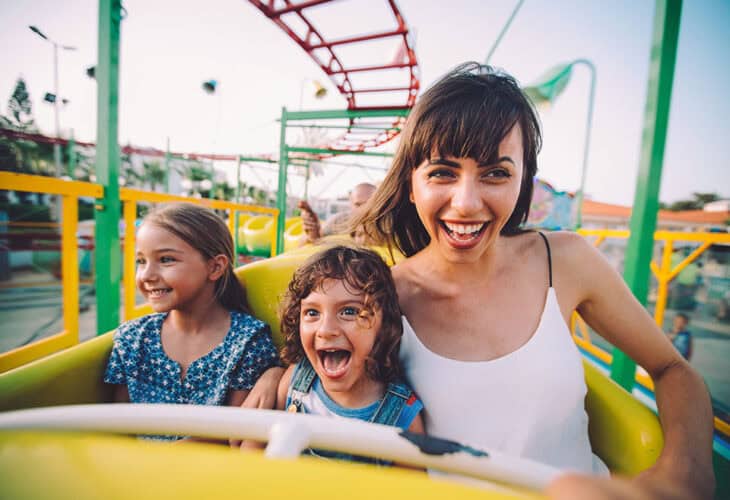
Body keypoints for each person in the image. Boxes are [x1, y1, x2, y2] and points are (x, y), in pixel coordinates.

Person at [349, 63, 714, 498]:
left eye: (495, 173)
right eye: (442, 172)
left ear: (523, 182)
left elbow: (673, 368)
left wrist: (682, 471)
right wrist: (279, 377)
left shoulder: (565, 261)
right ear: (412, 185)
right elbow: (324, 379)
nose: (465, 203)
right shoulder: (381, 298)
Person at [104, 203, 280, 441]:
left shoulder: (248, 341)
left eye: (166, 259)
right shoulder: (132, 339)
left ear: (215, 267)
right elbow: (118, 428)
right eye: (141, 261)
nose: (146, 275)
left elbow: (233, 439)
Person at [275, 245, 424, 464]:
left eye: (349, 311)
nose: (326, 330)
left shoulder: (401, 414)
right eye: (312, 313)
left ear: (384, 324)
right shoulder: (294, 381)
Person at [298, 182, 376, 245]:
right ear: (351, 204)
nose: (363, 209)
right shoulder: (339, 221)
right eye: (358, 205)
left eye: (368, 204)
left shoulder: (385, 225)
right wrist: (313, 235)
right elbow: (302, 244)